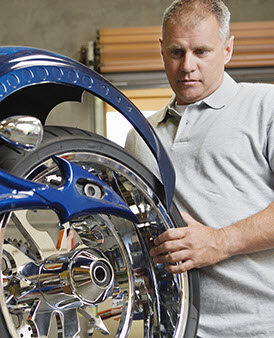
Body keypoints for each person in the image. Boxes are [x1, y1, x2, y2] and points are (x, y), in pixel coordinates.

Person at [125, 0, 274, 337]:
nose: (187, 66)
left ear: (228, 49)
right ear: (161, 51)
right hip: (174, 329)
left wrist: (222, 241)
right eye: (177, 52)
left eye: (201, 52)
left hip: (259, 327)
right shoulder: (139, 138)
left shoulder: (266, 106)